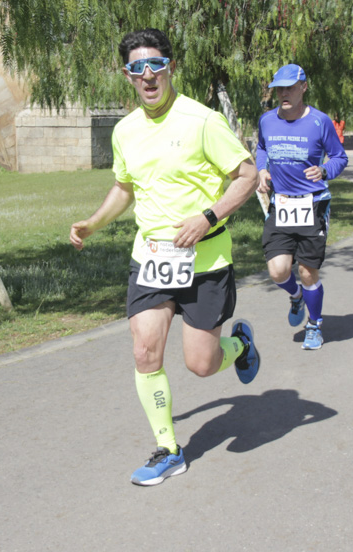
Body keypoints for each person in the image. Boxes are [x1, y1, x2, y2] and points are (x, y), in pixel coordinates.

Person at [69, 28, 260, 487]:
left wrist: (207, 217)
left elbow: (248, 175)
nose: (147, 74)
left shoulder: (202, 120)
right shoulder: (125, 130)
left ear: (171, 66)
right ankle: (168, 449)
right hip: (152, 260)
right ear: (127, 75)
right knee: (144, 350)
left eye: (155, 64)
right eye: (137, 68)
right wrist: (93, 223)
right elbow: (125, 187)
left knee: (201, 364)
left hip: (205, 263)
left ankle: (240, 345)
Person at [255, 64, 349, 351]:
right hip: (280, 204)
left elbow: (339, 157)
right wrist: (261, 170)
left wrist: (324, 171)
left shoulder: (320, 122)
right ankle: (295, 296)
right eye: (278, 89)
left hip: (313, 204)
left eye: (289, 88)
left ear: (303, 87)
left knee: (308, 271)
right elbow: (260, 148)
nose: (283, 94)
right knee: (278, 271)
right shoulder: (267, 120)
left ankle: (314, 324)